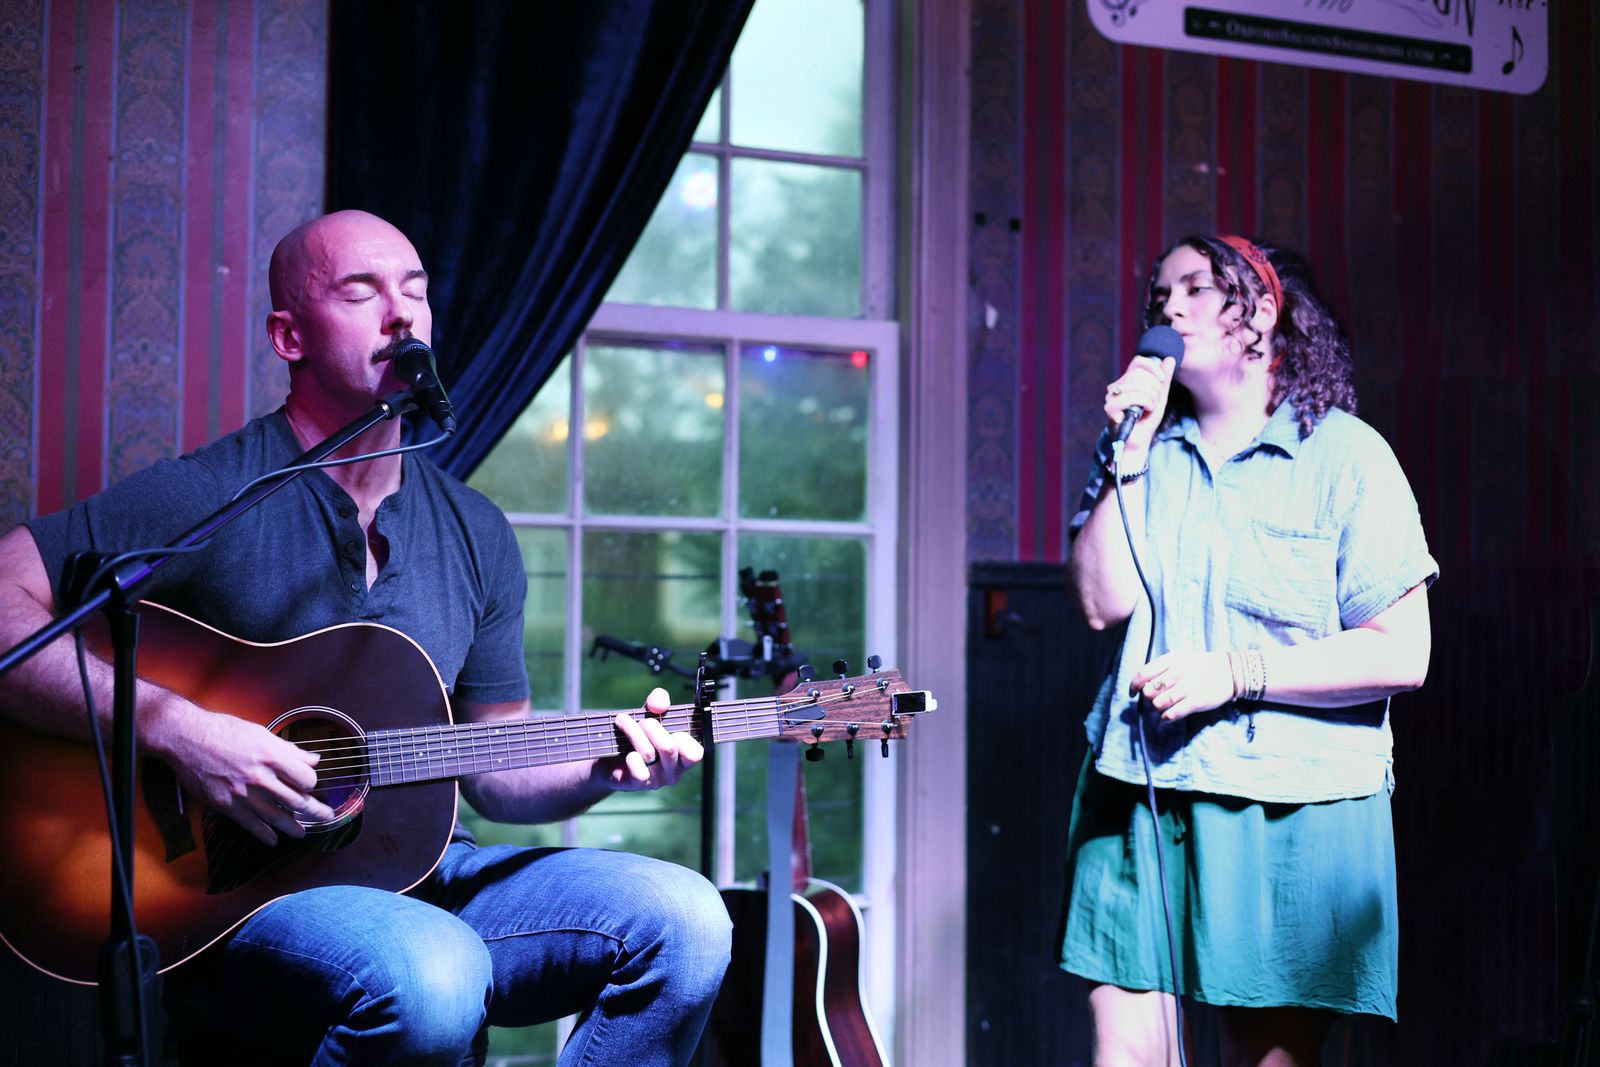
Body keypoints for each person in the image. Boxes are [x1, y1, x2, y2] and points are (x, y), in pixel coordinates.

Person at [0, 209, 732, 1066]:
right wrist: (178, 729)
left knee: (687, 919)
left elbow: (493, 764)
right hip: (235, 896)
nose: (401, 313)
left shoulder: (476, 530)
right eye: (362, 292)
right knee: (431, 971)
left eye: (415, 290)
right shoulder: (207, 493)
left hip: (430, 875)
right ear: (290, 336)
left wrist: (602, 767)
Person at [1060, 234, 1437, 1067]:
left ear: (1262, 312)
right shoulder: (1146, 449)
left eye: (1196, 288)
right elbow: (1099, 601)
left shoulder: (1347, 455)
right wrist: (1127, 453)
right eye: (1159, 296)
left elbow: (1403, 652)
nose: (1170, 307)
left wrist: (1235, 674)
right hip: (1141, 791)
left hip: (1289, 807)